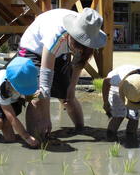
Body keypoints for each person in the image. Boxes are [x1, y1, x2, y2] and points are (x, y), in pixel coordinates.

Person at [18, 8, 106, 138]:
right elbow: (45, 83)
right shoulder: (56, 34)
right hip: (33, 49)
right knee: (37, 96)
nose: (79, 49)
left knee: (67, 97)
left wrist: (71, 88)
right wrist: (47, 118)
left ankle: (80, 129)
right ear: (72, 34)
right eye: (77, 44)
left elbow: (79, 61)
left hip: (60, 50)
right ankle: (34, 138)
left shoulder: (90, 30)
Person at [0, 57, 39, 148]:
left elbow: (35, 95)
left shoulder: (26, 79)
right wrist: (26, 136)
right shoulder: (1, 88)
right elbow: (12, 118)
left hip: (12, 99)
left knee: (10, 139)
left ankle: (5, 123)